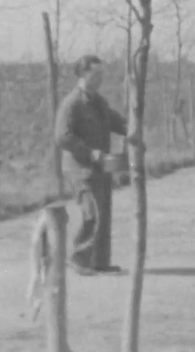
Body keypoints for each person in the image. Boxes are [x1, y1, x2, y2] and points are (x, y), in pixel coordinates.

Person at [54, 55, 143, 275]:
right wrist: (90, 152)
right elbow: (62, 137)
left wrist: (132, 129)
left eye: (102, 74)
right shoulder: (72, 103)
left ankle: (100, 262)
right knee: (91, 213)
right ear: (83, 75)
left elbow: (115, 121)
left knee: (104, 214)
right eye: (96, 74)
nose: (100, 78)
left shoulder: (98, 101)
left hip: (100, 167)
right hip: (79, 168)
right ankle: (78, 258)